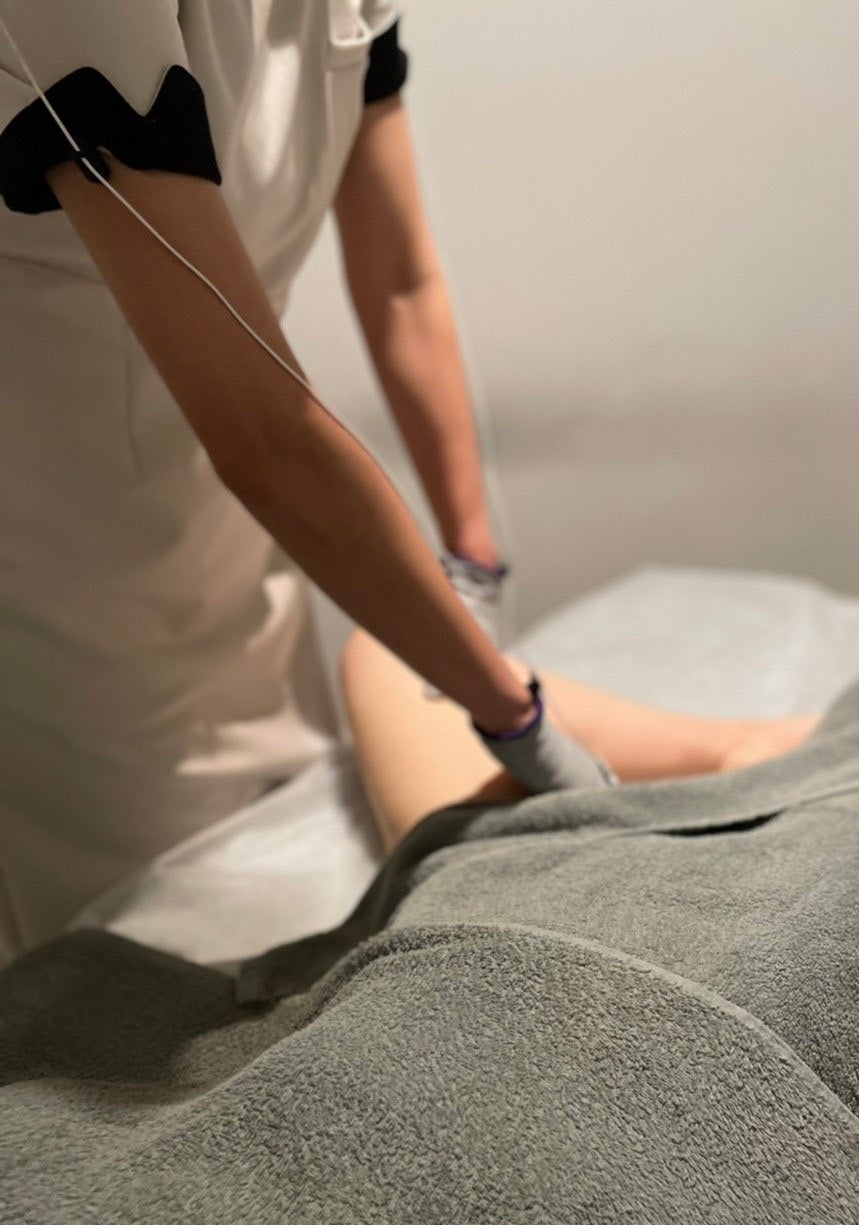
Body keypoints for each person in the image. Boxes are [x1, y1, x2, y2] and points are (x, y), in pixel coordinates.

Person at [0, 1, 814, 966]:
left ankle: (741, 754)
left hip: (244, 555)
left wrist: (474, 565)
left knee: (326, 819)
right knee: (144, 955)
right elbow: (261, 434)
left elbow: (401, 285)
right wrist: (516, 719)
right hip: (63, 602)